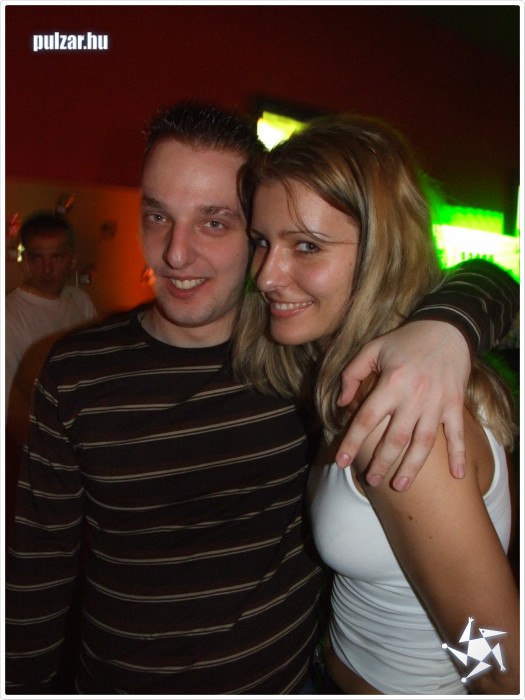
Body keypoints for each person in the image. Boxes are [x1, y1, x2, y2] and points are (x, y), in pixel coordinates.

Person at [5, 103, 519, 695]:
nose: (175, 253)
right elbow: (36, 574)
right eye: (157, 215)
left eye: (215, 222)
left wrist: (446, 330)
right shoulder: (292, 358)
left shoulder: (361, 392)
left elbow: (491, 650)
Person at [233, 113, 520, 694]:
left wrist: (483, 677)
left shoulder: (403, 423)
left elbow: (493, 655)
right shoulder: (352, 378)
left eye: (306, 246)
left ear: (380, 254)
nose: (266, 276)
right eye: (263, 242)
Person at [4, 212, 98, 544]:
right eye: (37, 258)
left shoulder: (80, 301)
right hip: (35, 453)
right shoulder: (10, 314)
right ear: (25, 259)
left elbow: (94, 372)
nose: (47, 269)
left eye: (56, 257)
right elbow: (8, 401)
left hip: (82, 446)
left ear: (71, 258)